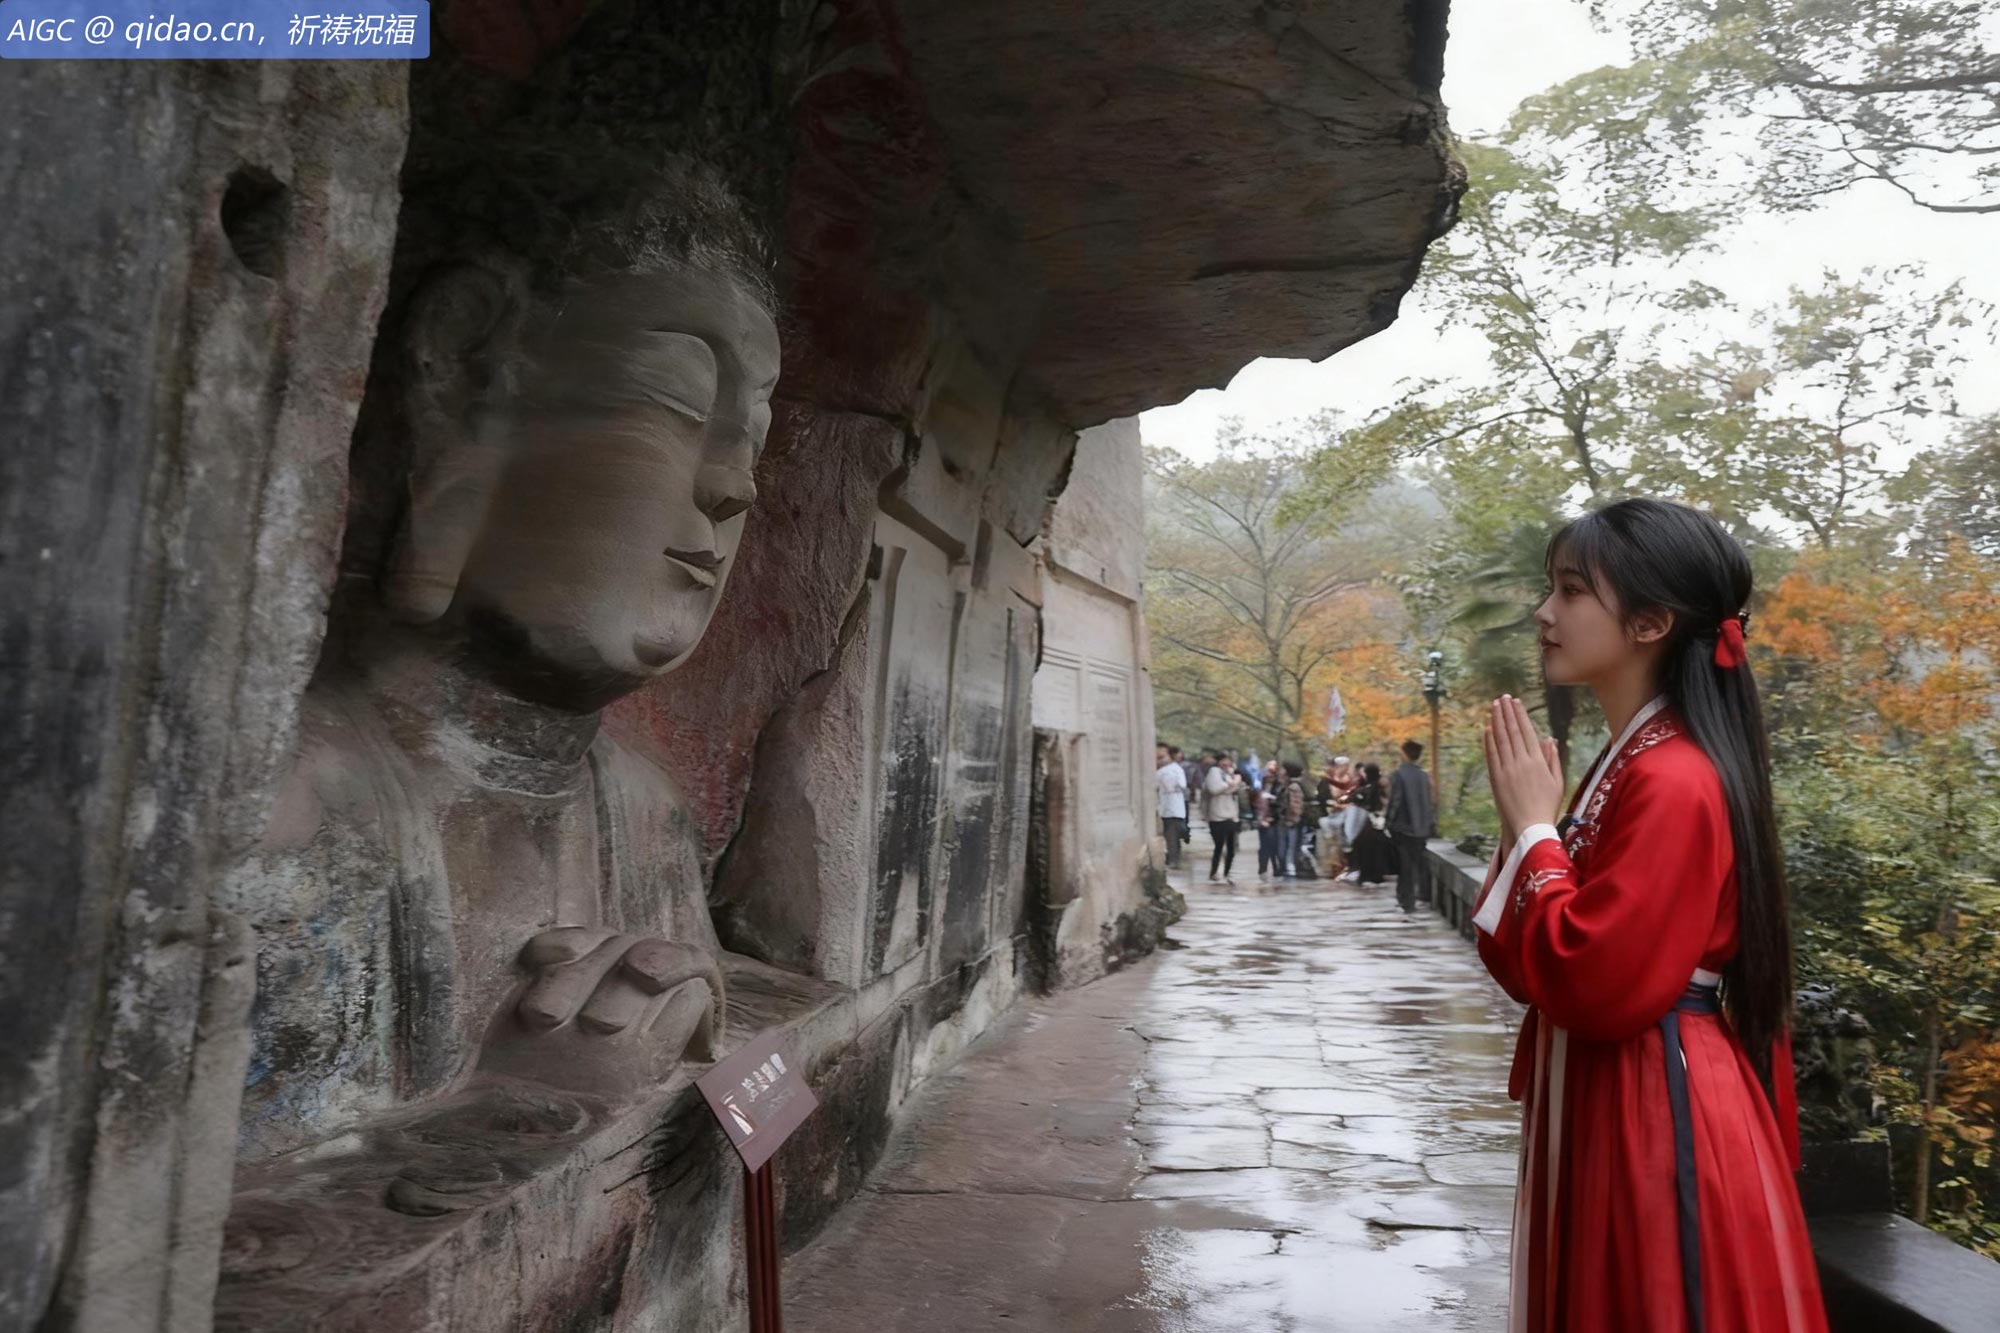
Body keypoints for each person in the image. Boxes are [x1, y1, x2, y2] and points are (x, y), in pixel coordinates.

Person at [1472, 498, 1825, 1332]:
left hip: (1652, 1098)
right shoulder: (1634, 757)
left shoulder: (1673, 776)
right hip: (1618, 1081)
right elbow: (1533, 961)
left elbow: (1599, 982)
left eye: (1570, 591)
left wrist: (1533, 828)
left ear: (1651, 621)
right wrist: (1529, 831)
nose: (1544, 613)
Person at [1386, 739, 1437, 912]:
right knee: (1416, 863)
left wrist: (1388, 821)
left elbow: (1396, 800)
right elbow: (1430, 802)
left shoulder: (1398, 774)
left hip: (1403, 827)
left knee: (1404, 864)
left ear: (1404, 754)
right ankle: (1416, 895)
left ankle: (1406, 899)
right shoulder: (1423, 775)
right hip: (1421, 828)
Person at [1344, 762, 1395, 885]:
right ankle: (1377, 874)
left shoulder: (1367, 789)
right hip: (1380, 824)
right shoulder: (1381, 788)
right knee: (1377, 851)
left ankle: (1366, 874)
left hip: (1368, 823)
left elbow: (1355, 800)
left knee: (1365, 850)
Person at [1201, 754, 1245, 882]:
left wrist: (1232, 783)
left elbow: (1239, 788)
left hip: (1232, 815)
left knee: (1231, 848)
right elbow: (1214, 789)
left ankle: (1227, 872)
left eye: (1229, 764)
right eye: (1224, 764)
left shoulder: (1230, 774)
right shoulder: (1214, 773)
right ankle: (1214, 872)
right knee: (1219, 846)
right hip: (1217, 816)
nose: (1226, 767)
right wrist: (1231, 784)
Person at [1155, 744, 1189, 869]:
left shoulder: (1175, 770)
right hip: (1165, 807)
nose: (1159, 759)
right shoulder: (1161, 771)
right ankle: (1173, 858)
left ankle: (1173, 860)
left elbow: (1179, 785)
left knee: (1173, 835)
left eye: (1161, 756)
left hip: (1174, 808)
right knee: (1170, 835)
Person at [1276, 761, 1309, 877]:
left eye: (1283, 769)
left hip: (1291, 821)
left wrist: (1294, 819)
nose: (1280, 771)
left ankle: (1290, 867)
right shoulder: (1288, 784)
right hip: (1289, 820)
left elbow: (1296, 804)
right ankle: (1288, 867)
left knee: (1291, 845)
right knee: (1290, 845)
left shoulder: (1293, 786)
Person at [1255, 760, 1282, 877]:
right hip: (1262, 820)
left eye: (1271, 772)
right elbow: (1257, 805)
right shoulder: (1261, 789)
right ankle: (1262, 868)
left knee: (1273, 846)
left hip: (1273, 820)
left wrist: (1272, 816)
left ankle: (1276, 868)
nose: (1269, 775)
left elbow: (1280, 804)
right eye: (1267, 772)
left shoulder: (1278, 788)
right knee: (1263, 846)